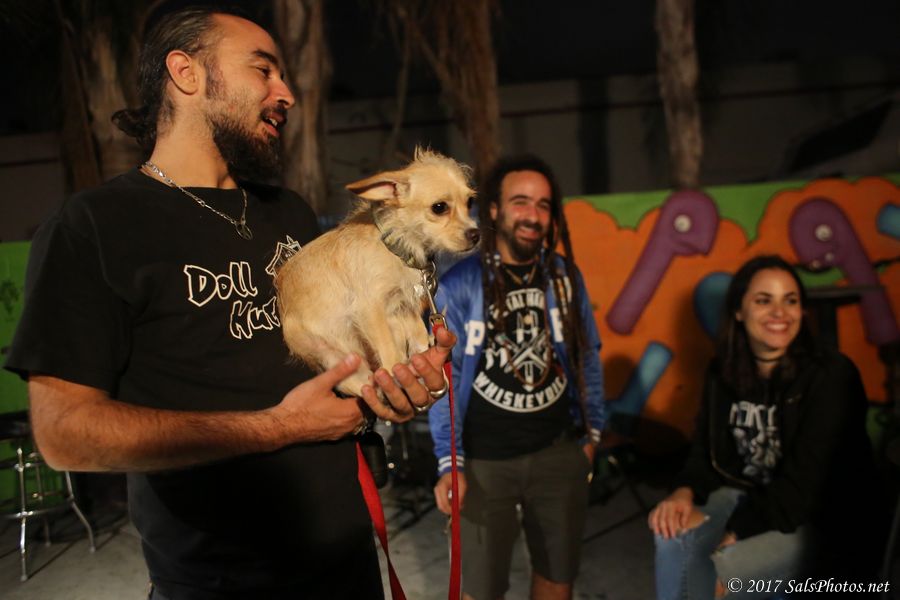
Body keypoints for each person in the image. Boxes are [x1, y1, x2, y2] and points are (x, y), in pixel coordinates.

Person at [4, 5, 453, 599]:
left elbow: (340, 376)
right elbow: (66, 435)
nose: (286, 93)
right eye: (263, 70)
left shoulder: (289, 212)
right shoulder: (93, 226)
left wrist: (395, 387)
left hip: (347, 565)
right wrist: (278, 428)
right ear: (186, 73)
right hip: (218, 584)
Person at [648, 255, 881, 600]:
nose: (779, 313)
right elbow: (705, 452)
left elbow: (804, 491)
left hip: (821, 519)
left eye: (791, 300)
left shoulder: (831, 375)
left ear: (802, 310)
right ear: (738, 311)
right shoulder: (722, 371)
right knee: (671, 535)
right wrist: (683, 491)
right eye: (763, 300)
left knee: (722, 572)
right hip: (749, 495)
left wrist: (734, 533)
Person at [428, 154, 606, 600]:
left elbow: (587, 356)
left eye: (544, 205)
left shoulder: (563, 276)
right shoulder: (460, 283)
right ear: (494, 210)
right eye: (521, 201)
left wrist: (592, 435)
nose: (533, 215)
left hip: (558, 453)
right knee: (480, 590)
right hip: (484, 464)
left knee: (557, 579)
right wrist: (450, 461)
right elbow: (443, 379)